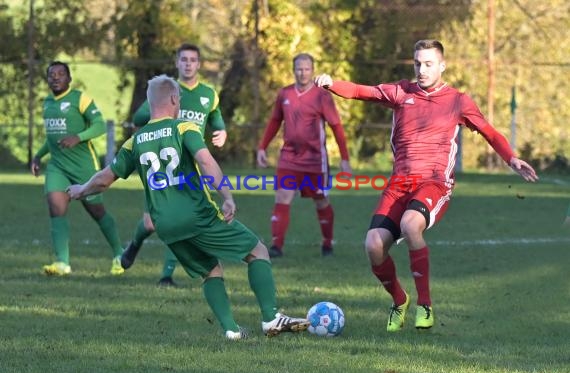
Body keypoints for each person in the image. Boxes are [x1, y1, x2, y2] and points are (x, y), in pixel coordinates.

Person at [314, 39, 538, 332]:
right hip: (399, 183)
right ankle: (399, 300)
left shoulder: (458, 100)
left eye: (429, 64)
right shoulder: (400, 92)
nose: (422, 69)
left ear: (442, 66)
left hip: (434, 183)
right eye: (418, 63)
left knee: (410, 224)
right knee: (373, 245)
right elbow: (359, 91)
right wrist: (331, 83)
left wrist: (512, 158)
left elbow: (489, 132)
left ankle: (425, 305)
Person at [67, 74, 310, 339]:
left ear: (149, 104)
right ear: (173, 99)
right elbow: (206, 162)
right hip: (197, 215)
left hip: (166, 225)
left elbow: (104, 179)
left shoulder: (134, 142)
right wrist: (227, 195)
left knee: (210, 270)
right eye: (179, 98)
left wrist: (81, 189)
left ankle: (231, 331)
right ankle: (271, 318)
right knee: (257, 250)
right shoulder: (183, 128)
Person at [122, 43, 228, 287]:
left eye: (193, 59)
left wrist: (221, 133)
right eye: (184, 59)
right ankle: (135, 244)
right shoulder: (164, 92)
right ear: (177, 63)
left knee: (180, 218)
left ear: (199, 64)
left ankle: (166, 275)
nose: (188, 63)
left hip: (189, 171)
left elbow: (217, 121)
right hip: (161, 169)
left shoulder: (209, 95)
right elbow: (138, 121)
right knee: (150, 223)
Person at [31, 61, 125, 276]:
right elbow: (52, 138)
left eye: (60, 74)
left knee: (96, 211)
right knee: (56, 209)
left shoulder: (79, 99)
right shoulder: (47, 103)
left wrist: (78, 137)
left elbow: (99, 125)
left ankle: (120, 254)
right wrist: (38, 155)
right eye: (51, 74)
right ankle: (62, 263)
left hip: (83, 166)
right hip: (57, 166)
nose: (55, 77)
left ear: (69, 78)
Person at [257, 53, 352, 258]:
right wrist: (262, 147)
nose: (303, 72)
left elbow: (336, 126)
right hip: (289, 157)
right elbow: (274, 121)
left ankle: (327, 243)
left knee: (321, 200)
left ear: (312, 70)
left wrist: (344, 158)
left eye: (307, 68)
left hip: (315, 161)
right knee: (282, 197)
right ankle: (276, 246)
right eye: (299, 68)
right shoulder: (285, 94)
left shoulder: (322, 95)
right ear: (294, 70)